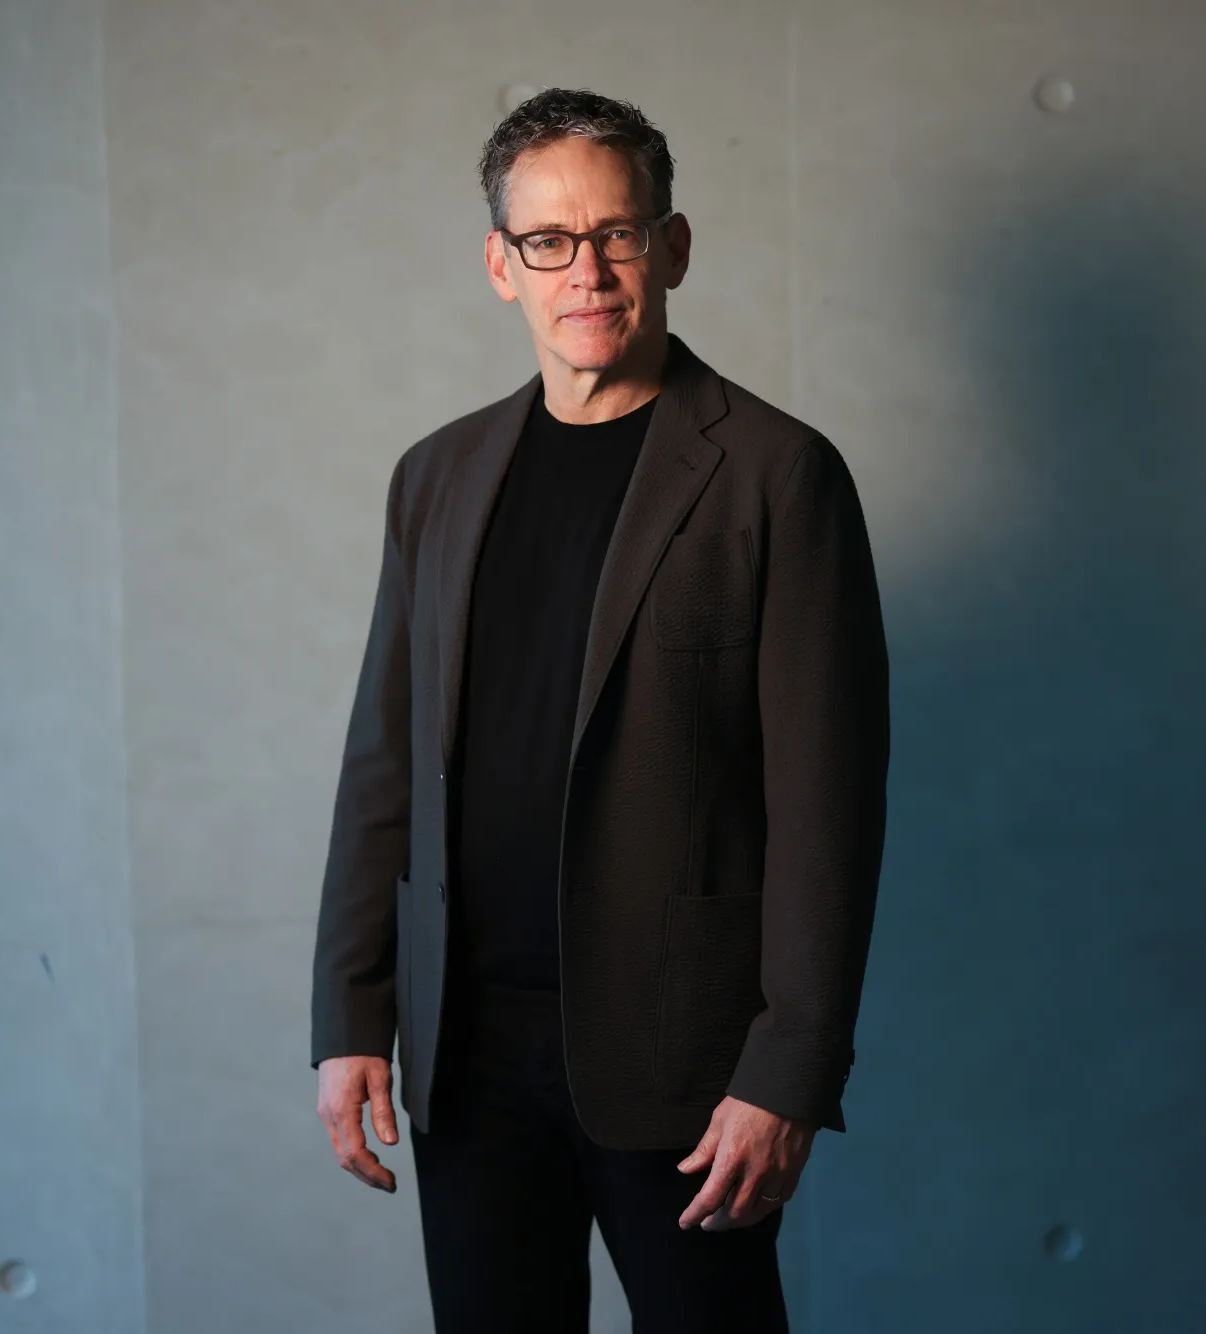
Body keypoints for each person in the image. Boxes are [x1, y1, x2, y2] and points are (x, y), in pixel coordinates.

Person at [307, 87, 889, 1332]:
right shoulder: (436, 476)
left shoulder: (778, 474)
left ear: (670, 247)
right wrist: (351, 1013)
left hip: (684, 1060)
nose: (586, 270)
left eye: (617, 233)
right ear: (499, 265)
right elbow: (384, 765)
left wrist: (787, 1069)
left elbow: (826, 807)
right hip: (465, 1051)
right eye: (549, 241)